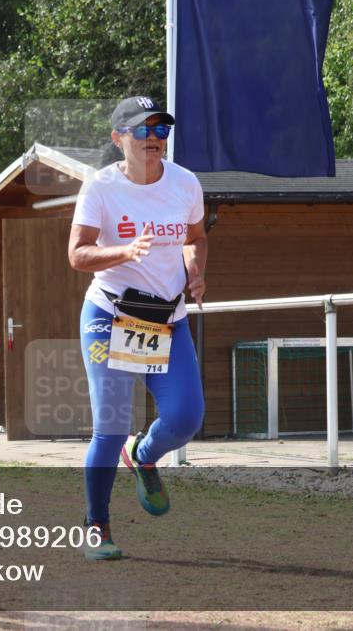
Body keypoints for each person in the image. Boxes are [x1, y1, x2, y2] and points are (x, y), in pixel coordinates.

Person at [67, 96, 207, 560]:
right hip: (110, 316)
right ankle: (96, 526)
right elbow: (78, 254)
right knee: (110, 426)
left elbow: (195, 237)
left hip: (167, 319)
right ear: (118, 138)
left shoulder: (185, 182)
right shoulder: (100, 187)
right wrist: (124, 252)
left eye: (161, 130)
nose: (154, 138)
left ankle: (144, 456)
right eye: (143, 130)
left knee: (185, 418)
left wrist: (195, 270)